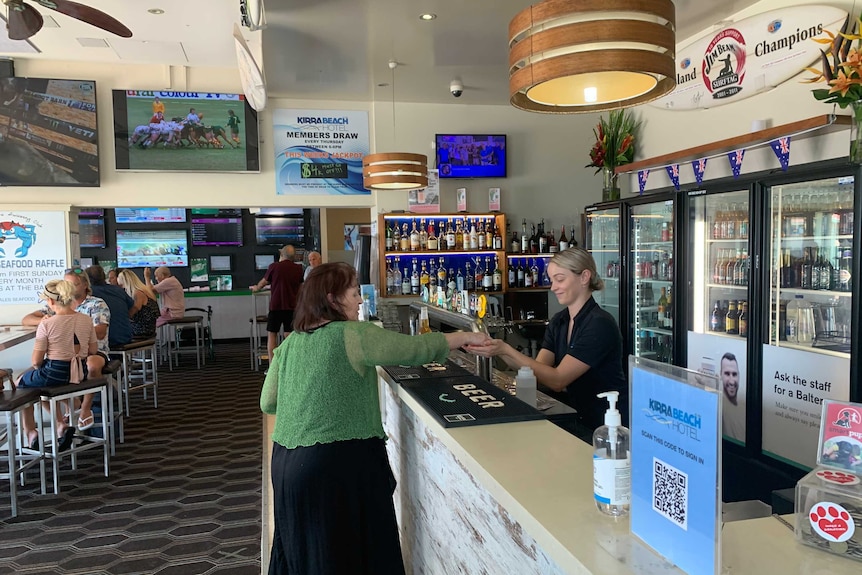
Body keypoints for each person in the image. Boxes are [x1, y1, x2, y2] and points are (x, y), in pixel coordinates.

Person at [261, 262, 490, 574]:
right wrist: (461, 337)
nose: (359, 301)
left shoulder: (289, 345)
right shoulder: (352, 334)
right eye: (354, 294)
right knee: (350, 555)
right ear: (333, 299)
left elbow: (268, 401)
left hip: (286, 465)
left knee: (305, 555)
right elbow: (414, 349)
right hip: (336, 464)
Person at [466, 247, 626, 436]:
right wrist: (497, 350)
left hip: (601, 424)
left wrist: (506, 350)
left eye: (560, 279)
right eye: (552, 280)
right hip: (573, 416)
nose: (553, 287)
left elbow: (558, 379)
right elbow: (537, 369)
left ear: (584, 277)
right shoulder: (560, 320)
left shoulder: (599, 324)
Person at [22, 268, 110, 431]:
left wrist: (63, 330)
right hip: (77, 359)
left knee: (25, 381)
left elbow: (101, 333)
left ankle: (82, 410)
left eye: (73, 284)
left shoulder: (96, 304)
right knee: (70, 369)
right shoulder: (64, 315)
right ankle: (70, 409)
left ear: (85, 285)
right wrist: (47, 320)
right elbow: (26, 319)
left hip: (86, 355)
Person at [252, 244, 304, 362]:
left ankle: (272, 366)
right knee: (289, 335)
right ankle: (291, 363)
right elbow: (301, 288)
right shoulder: (298, 269)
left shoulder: (274, 266)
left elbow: (263, 282)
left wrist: (256, 288)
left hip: (276, 306)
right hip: (292, 306)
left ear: (281, 254)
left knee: (272, 335)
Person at [86, 265, 134, 349]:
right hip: (125, 335)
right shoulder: (118, 290)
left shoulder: (90, 294)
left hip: (107, 340)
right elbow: (131, 306)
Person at [117, 269, 160, 338]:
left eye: (122, 285)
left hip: (142, 330)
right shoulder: (145, 290)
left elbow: (134, 310)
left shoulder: (138, 293)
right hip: (149, 328)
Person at [720, 352, 745, 441]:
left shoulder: (746, 411)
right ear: (720, 375)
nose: (731, 381)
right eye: (727, 374)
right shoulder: (718, 405)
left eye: (734, 374)